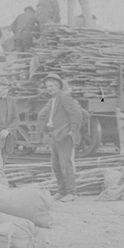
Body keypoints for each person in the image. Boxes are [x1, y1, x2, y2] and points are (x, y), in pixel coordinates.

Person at [38, 73, 82, 202]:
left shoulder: (64, 97)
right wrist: (45, 127)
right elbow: (43, 115)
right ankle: (61, 191)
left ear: (58, 86)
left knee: (65, 164)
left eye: (51, 86)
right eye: (47, 86)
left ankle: (71, 192)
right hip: (55, 135)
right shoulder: (52, 100)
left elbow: (76, 114)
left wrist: (72, 130)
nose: (49, 88)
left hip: (63, 136)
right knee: (56, 165)